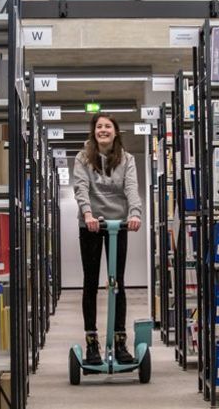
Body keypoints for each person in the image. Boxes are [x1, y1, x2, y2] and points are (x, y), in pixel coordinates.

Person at [73, 112, 142, 365]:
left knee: (117, 282)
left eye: (108, 126)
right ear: (94, 131)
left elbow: (131, 188)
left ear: (115, 131)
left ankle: (120, 341)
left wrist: (135, 213)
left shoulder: (127, 159)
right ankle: (92, 344)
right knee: (90, 282)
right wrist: (87, 214)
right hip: (90, 225)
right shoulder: (83, 158)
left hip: (118, 224)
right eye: (99, 126)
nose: (103, 130)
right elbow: (81, 187)